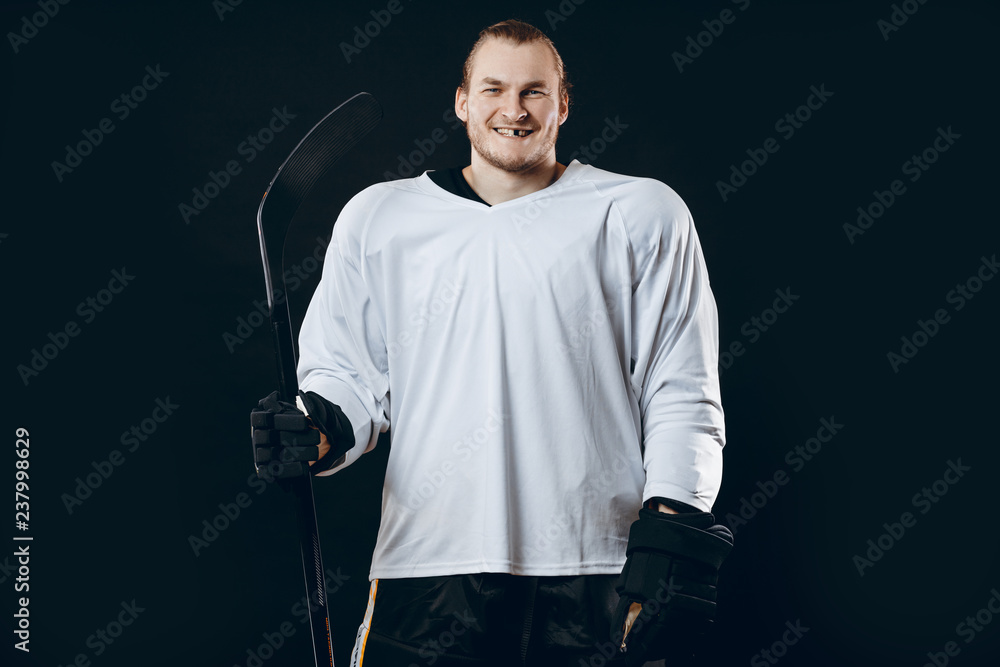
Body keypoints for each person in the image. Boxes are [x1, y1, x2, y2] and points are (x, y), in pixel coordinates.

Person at [252, 19, 733, 667]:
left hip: (598, 567)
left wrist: (671, 533)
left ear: (563, 104)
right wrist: (311, 428)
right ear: (462, 101)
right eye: (494, 89)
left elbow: (682, 390)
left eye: (535, 91)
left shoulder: (641, 213)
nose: (514, 109)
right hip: (431, 569)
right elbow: (348, 374)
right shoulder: (380, 216)